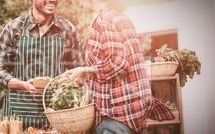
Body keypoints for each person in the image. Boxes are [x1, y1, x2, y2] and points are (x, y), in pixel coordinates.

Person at [64, 0, 175, 133]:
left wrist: (86, 69)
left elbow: (119, 63)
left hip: (115, 117)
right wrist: (85, 73)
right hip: (132, 113)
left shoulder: (105, 20)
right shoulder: (121, 17)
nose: (79, 3)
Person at [0, 0, 83, 130]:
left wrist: (63, 83)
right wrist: (22, 85)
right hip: (18, 117)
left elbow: (80, 73)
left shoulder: (68, 30)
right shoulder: (14, 28)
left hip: (56, 116)